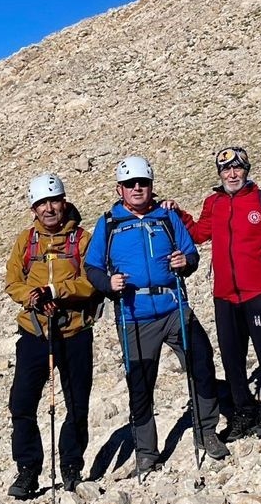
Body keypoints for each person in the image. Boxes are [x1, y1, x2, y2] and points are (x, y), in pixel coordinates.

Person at [85, 155, 227, 473]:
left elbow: (190, 253)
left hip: (174, 307)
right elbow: (91, 266)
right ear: (119, 189)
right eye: (130, 184)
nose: (137, 188)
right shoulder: (108, 223)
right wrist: (108, 284)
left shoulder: (166, 217)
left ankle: (207, 432)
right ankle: (147, 452)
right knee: (141, 384)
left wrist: (185, 262)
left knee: (201, 363)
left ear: (151, 185)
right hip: (134, 314)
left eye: (143, 183)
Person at [173, 146, 261, 441]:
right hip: (225, 295)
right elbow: (199, 233)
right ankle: (243, 411)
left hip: (258, 291)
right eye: (226, 169)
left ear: (246, 170)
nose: (232, 174)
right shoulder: (213, 203)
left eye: (237, 168)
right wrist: (177, 213)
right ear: (219, 173)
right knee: (232, 358)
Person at [4, 173, 100, 498]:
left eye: (54, 201)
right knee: (22, 403)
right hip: (35, 333)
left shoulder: (82, 240)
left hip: (74, 332)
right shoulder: (25, 241)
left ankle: (71, 467)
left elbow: (91, 282)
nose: (49, 208)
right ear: (34, 208)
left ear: (64, 201)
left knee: (76, 404)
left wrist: (58, 290)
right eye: (42, 203)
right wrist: (28, 295)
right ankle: (28, 470)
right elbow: (12, 281)